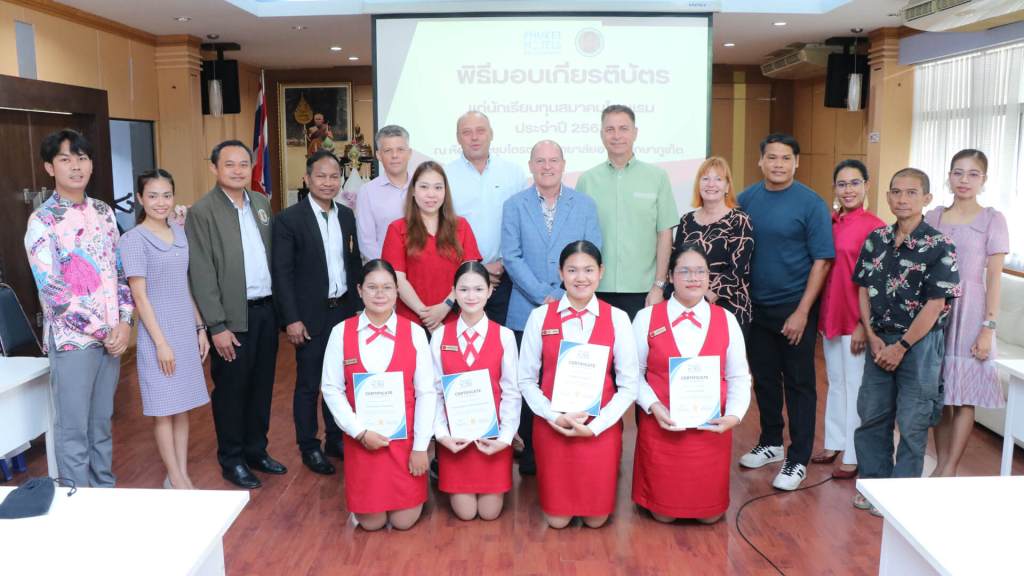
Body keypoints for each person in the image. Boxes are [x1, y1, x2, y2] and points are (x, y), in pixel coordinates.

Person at [24, 129, 134, 487]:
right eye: (65, 159)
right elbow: (54, 294)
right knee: (73, 431)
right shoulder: (42, 221)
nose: (76, 166)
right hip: (74, 342)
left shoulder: (103, 212)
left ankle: (104, 492)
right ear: (49, 167)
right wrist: (105, 331)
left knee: (101, 425)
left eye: (82, 158)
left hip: (112, 339)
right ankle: (77, 501)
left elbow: (120, 273)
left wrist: (125, 323)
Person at [851, 168, 960, 514]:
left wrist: (902, 347)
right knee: (872, 415)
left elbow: (935, 305)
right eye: (896, 192)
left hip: (919, 345)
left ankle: (901, 497)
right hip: (879, 340)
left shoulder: (940, 246)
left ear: (927, 199)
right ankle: (874, 485)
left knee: (913, 423)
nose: (902, 199)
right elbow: (863, 289)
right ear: (887, 197)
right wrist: (871, 336)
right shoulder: (876, 239)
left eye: (912, 193)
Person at [186, 140, 286, 489]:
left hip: (265, 311)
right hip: (231, 319)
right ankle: (232, 459)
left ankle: (257, 450)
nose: (238, 170)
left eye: (244, 164)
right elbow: (201, 272)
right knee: (231, 392)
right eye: (229, 164)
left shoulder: (260, 202)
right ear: (214, 168)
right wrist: (216, 325)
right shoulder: (203, 212)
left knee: (262, 387)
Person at [518, 240, 639, 529]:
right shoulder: (539, 317)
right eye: (572, 270)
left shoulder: (618, 318)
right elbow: (526, 379)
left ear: (601, 272)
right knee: (557, 520)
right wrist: (552, 415)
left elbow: (629, 385)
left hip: (600, 429)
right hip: (554, 427)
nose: (580, 277)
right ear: (560, 273)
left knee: (597, 520)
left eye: (588, 270)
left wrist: (597, 426)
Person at [736, 133, 834, 491]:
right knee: (763, 379)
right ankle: (771, 442)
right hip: (755, 308)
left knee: (799, 384)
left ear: (796, 162)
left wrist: (803, 311)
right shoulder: (746, 199)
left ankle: (798, 458)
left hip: (794, 308)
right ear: (761, 161)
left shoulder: (811, 203)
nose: (778, 164)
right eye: (772, 157)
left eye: (786, 158)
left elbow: (822, 260)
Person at [501, 139, 602, 476]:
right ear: (531, 166)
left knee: (566, 379)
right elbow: (511, 256)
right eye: (540, 161)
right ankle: (531, 453)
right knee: (529, 381)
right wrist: (544, 294)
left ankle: (570, 449)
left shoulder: (584, 205)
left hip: (573, 307)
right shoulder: (514, 205)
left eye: (553, 160)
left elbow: (592, 251)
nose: (547, 166)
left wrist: (562, 294)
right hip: (525, 309)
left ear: (563, 164)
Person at [632, 243, 751, 523]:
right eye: (685, 271)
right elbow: (632, 375)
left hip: (710, 433)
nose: (694, 278)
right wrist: (653, 406)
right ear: (670, 277)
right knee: (663, 515)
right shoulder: (646, 318)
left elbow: (738, 376)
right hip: (662, 428)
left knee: (710, 516)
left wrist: (734, 416)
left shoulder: (727, 319)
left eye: (700, 271)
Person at [321, 259, 436, 531]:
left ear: (397, 291)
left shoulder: (415, 332)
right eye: (372, 287)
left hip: (405, 444)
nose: (380, 294)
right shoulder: (340, 332)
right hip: (363, 442)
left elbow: (427, 392)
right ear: (359, 290)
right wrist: (359, 432)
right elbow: (331, 389)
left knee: (404, 522)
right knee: (371, 524)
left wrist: (421, 447)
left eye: (387, 287)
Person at [272, 149, 362, 475]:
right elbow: (282, 274)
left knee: (340, 381)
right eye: (321, 176)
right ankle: (309, 446)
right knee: (310, 384)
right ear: (307, 179)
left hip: (343, 312)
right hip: (308, 317)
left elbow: (353, 264)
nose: (328, 182)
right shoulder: (289, 219)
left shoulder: (347, 216)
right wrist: (291, 319)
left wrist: (359, 309)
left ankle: (335, 439)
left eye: (334, 176)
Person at [121, 169, 210, 489]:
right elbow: (140, 297)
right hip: (157, 334)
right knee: (163, 409)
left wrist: (200, 327)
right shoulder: (133, 240)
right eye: (153, 196)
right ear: (140, 199)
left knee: (182, 406)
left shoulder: (179, 232)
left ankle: (180, 475)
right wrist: (161, 343)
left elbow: (184, 285)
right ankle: (175, 476)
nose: (161, 202)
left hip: (185, 328)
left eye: (167, 195)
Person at [927, 149, 1009, 477]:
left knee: (963, 397)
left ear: (983, 180)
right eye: (958, 172)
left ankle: (949, 470)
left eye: (973, 174)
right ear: (949, 176)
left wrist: (988, 327)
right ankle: (939, 465)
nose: (964, 180)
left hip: (971, 311)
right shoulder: (933, 217)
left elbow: (994, 277)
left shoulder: (993, 219)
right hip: (935, 310)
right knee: (940, 395)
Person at [812, 160, 884, 479]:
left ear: (866, 185)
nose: (848, 190)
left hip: (855, 318)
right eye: (842, 184)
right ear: (834, 188)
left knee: (855, 386)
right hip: (830, 313)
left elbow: (878, 281)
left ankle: (854, 454)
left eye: (855, 183)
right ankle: (834, 442)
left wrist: (862, 325)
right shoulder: (829, 222)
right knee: (836, 382)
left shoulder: (875, 227)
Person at [432, 261, 521, 520]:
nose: (471, 296)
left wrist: (505, 438)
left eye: (479, 289)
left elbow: (511, 392)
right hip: (455, 443)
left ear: (490, 291)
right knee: (466, 513)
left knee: (489, 513)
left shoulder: (504, 336)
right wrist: (442, 435)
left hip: (493, 441)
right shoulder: (440, 336)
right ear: (454, 292)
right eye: (464, 289)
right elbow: (434, 392)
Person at [576, 104, 678, 320]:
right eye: (610, 129)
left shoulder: (657, 177)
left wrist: (659, 285)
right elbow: (579, 238)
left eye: (623, 128)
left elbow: (665, 235)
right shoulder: (587, 180)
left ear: (635, 133)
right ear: (601, 135)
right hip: (595, 289)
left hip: (644, 291)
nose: (616, 136)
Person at [445, 111, 527, 325]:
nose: (474, 137)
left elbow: (522, 226)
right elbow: (442, 229)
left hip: (505, 277)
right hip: (459, 277)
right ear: (458, 138)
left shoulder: (514, 173)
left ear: (491, 134)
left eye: (480, 131)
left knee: (502, 339)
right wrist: (474, 267)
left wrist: (503, 264)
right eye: (467, 132)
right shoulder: (445, 175)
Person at [381, 161, 482, 331]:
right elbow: (396, 279)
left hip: (455, 319)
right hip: (411, 322)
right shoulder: (397, 228)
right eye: (424, 187)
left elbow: (470, 275)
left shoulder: (461, 226)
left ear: (445, 192)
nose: (431, 194)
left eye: (438, 187)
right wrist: (427, 316)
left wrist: (445, 306)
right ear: (413, 191)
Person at [672, 156, 753, 328]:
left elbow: (737, 268)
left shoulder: (740, 220)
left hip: (728, 306)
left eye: (718, 179)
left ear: (727, 187)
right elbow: (676, 262)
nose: (711, 184)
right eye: (705, 179)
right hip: (687, 303)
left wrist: (706, 296)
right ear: (698, 184)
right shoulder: (686, 220)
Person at [356, 125, 413, 261]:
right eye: (388, 150)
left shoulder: (422, 186)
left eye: (400, 149)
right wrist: (391, 268)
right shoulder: (367, 192)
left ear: (409, 153)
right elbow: (366, 242)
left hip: (423, 268)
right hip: (386, 269)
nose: (395, 156)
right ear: (378, 155)